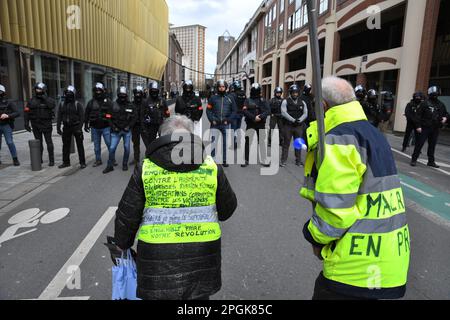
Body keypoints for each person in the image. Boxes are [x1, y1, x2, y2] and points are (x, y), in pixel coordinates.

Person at [301, 76, 410, 300]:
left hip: (354, 268)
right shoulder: (372, 133)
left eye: (314, 103)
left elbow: (335, 209)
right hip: (389, 261)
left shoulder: (339, 139)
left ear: (323, 106)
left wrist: (314, 236)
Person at [112, 115, 237, 300]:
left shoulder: (146, 169)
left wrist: (123, 244)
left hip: (156, 260)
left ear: (162, 138)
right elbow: (227, 210)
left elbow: (126, 217)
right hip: (202, 258)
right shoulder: (211, 166)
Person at [411, 86, 448, 168]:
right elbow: (418, 116)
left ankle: (431, 161)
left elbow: (446, 114)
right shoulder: (424, 103)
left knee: (432, 145)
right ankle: (414, 159)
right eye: (433, 94)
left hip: (435, 128)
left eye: (436, 94)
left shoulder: (441, 105)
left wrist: (445, 118)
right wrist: (418, 126)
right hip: (424, 128)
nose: (435, 95)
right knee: (419, 144)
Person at [103, 87, 136, 174]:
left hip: (126, 131)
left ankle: (124, 164)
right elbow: (108, 116)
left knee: (127, 148)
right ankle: (109, 165)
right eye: (120, 95)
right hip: (116, 131)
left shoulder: (130, 105)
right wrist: (113, 127)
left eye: (124, 95)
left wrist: (129, 126)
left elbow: (134, 117)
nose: (122, 97)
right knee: (112, 148)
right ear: (118, 95)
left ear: (126, 95)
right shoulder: (113, 105)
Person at [24, 82, 56, 167]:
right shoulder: (31, 100)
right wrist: (26, 123)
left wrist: (44, 98)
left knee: (49, 142)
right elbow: (27, 112)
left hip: (46, 124)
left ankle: (51, 160)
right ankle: (39, 159)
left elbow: (52, 105)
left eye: (39, 89)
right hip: (36, 125)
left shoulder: (49, 99)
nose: (37, 90)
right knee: (39, 143)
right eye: (36, 89)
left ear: (43, 90)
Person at [206, 80, 237, 167]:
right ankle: (212, 160)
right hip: (215, 124)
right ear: (217, 87)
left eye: (223, 87)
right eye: (220, 87)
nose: (221, 88)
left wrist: (229, 120)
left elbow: (234, 111)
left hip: (225, 124)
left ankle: (224, 160)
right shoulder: (213, 98)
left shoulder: (230, 98)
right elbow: (208, 110)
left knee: (225, 143)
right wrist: (212, 120)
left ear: (226, 88)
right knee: (213, 142)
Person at [56, 86, 86, 169]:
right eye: (67, 94)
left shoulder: (78, 104)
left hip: (76, 126)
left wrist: (80, 128)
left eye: (70, 94)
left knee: (80, 145)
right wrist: (58, 127)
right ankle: (66, 162)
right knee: (65, 145)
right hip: (66, 127)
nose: (68, 95)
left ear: (73, 95)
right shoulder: (62, 104)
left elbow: (82, 117)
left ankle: (82, 162)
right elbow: (59, 116)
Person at [241, 83, 270, 168]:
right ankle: (246, 159)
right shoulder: (247, 100)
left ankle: (264, 159)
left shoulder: (263, 100)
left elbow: (268, 111)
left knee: (262, 142)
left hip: (261, 124)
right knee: (248, 142)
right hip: (250, 123)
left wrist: (260, 117)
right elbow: (245, 111)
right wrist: (254, 117)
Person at [84, 82, 113, 167]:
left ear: (103, 91)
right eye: (96, 91)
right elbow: (87, 113)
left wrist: (106, 116)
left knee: (109, 144)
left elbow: (112, 114)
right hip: (94, 128)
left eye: (99, 90)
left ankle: (112, 159)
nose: (98, 92)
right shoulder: (91, 102)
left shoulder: (108, 101)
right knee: (96, 146)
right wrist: (86, 124)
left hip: (106, 127)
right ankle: (98, 160)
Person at [280, 84, 308, 167]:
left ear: (298, 93)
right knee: (286, 143)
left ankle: (298, 161)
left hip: (299, 126)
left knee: (298, 143)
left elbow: (305, 113)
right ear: (290, 93)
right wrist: (293, 120)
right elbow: (283, 112)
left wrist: (300, 120)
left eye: (296, 93)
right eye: (293, 93)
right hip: (288, 126)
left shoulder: (302, 102)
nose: (295, 94)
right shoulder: (285, 101)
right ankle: (283, 161)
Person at [140, 81, 170, 149]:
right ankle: (150, 158)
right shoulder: (145, 101)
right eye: (153, 90)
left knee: (163, 144)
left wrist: (166, 122)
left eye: (156, 91)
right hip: (150, 127)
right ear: (150, 91)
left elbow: (167, 113)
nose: (154, 92)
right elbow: (142, 116)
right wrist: (144, 129)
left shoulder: (162, 101)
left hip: (161, 126)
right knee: (151, 145)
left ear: (158, 91)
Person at [0, 84, 20, 166]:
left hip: (6, 125)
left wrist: (8, 115)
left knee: (9, 142)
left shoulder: (9, 102)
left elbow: (17, 112)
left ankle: (15, 158)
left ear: (3, 92)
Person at [130, 86, 146, 166]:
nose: (138, 95)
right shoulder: (132, 104)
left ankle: (150, 158)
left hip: (144, 126)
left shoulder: (145, 103)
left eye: (139, 93)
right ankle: (136, 159)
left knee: (147, 143)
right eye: (136, 93)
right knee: (136, 143)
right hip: (135, 126)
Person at [229, 80, 246, 147]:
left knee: (233, 129)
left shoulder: (232, 94)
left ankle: (234, 143)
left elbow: (229, 104)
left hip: (234, 114)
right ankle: (238, 143)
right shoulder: (243, 94)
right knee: (238, 128)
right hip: (241, 113)